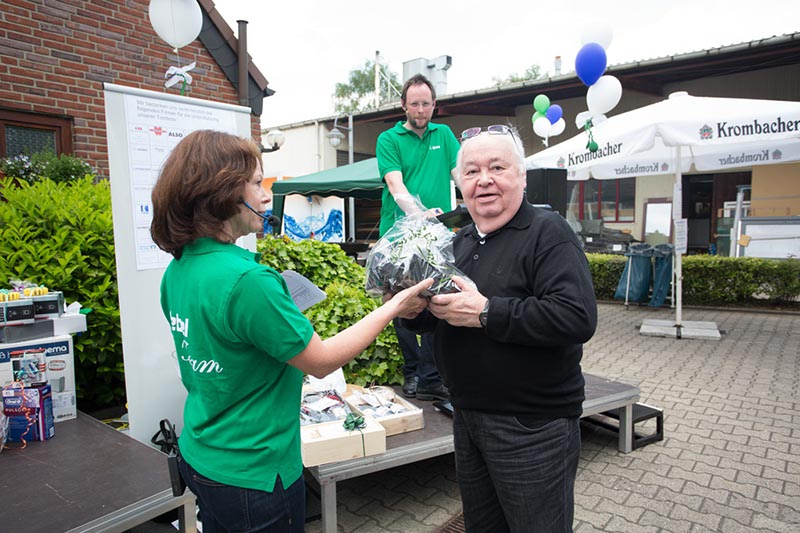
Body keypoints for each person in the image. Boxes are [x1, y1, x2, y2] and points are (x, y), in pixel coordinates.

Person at [150, 130, 432, 533]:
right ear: (222, 191)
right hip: (256, 473)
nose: (266, 195)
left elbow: (224, 342)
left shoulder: (179, 270)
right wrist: (393, 307)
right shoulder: (248, 280)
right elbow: (321, 362)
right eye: (254, 182)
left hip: (201, 456)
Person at [400, 125, 598, 532]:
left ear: (521, 176)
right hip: (468, 416)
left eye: (497, 167)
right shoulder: (459, 241)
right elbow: (437, 318)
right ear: (459, 184)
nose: (484, 180)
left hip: (531, 424)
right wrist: (408, 308)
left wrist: (488, 312)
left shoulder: (549, 233)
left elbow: (576, 316)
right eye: (471, 171)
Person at [375, 73, 460, 401]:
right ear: (403, 105)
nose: (421, 110)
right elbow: (395, 184)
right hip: (398, 235)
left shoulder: (445, 135)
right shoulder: (389, 139)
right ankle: (413, 374)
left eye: (426, 104)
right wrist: (417, 213)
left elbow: (459, 173)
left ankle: (429, 376)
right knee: (403, 304)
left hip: (437, 236)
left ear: (434, 105)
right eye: (415, 104)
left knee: (438, 300)